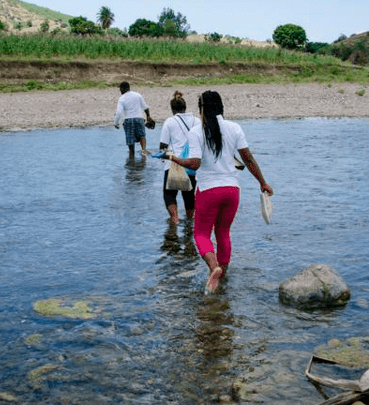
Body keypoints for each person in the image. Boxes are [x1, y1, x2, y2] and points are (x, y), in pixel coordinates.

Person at [168, 90, 273, 294]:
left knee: (200, 234)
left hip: (209, 190)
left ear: (202, 108)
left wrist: (173, 158)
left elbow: (194, 164)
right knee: (223, 232)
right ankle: (221, 277)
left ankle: (213, 267)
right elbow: (248, 159)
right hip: (232, 190)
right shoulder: (234, 128)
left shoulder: (197, 131)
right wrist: (263, 182)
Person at [158, 91, 199, 225]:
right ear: (185, 107)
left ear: (172, 109)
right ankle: (190, 223)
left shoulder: (170, 122)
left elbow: (163, 146)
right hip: (191, 165)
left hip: (173, 164)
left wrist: (162, 157)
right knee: (189, 196)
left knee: (169, 194)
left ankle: (174, 220)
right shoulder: (196, 121)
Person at [113, 81, 155, 156]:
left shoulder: (122, 98)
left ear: (123, 89)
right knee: (142, 136)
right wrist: (148, 116)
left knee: (130, 140)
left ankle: (131, 155)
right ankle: (143, 150)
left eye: (120, 88)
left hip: (128, 120)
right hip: (139, 118)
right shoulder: (138, 95)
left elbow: (119, 113)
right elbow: (145, 107)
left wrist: (116, 123)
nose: (119, 90)